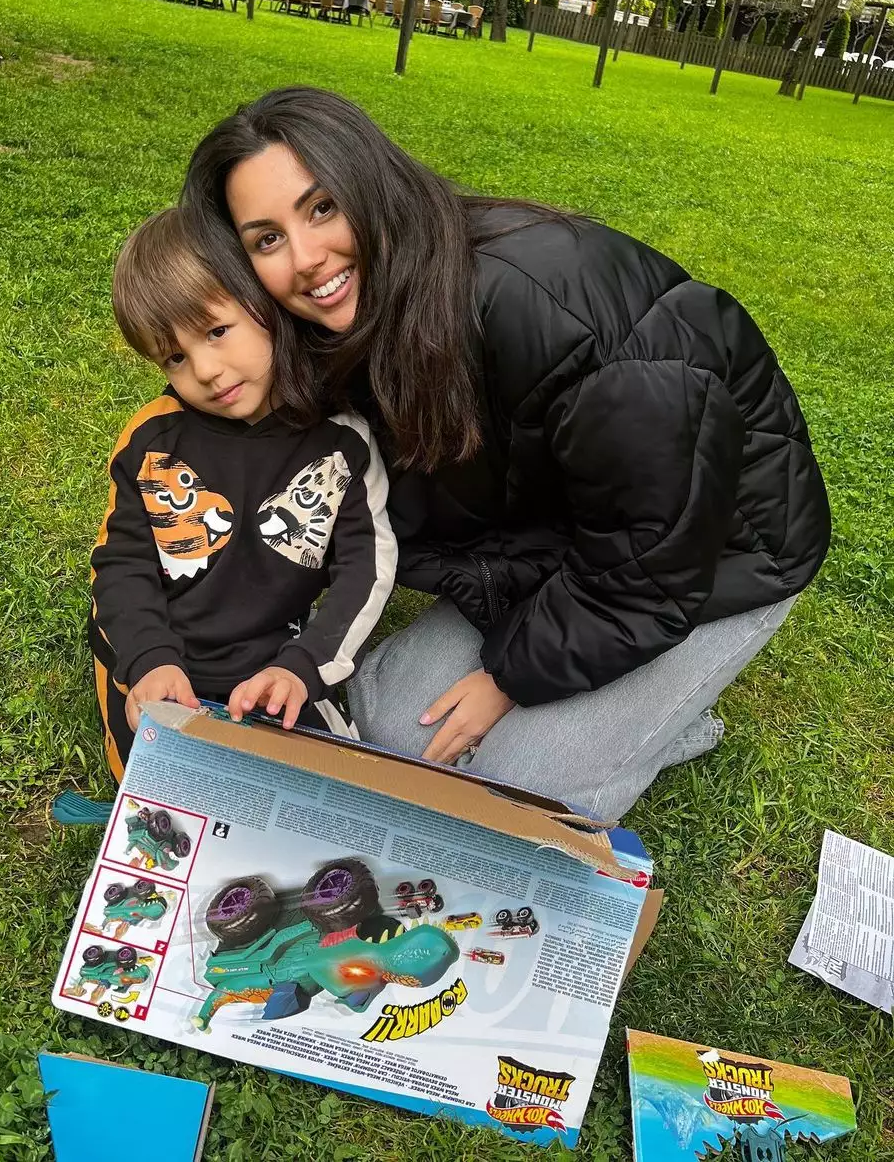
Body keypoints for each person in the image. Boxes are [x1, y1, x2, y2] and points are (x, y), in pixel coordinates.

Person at [179, 86, 831, 820]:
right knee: (395, 731)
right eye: (266, 240)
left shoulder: (549, 309)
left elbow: (651, 559)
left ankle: (667, 720)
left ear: (373, 182)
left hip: (719, 549)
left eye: (323, 207)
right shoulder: (341, 326)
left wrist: (506, 679)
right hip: (559, 529)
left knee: (524, 791)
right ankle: (619, 707)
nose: (305, 259)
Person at [90, 206, 397, 780]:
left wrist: (304, 666)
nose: (206, 370)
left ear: (265, 303)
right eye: (175, 357)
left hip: (276, 659)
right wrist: (148, 660)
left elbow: (367, 566)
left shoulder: (342, 441)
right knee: (159, 790)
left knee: (331, 785)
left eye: (217, 331)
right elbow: (121, 565)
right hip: (160, 656)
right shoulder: (151, 439)